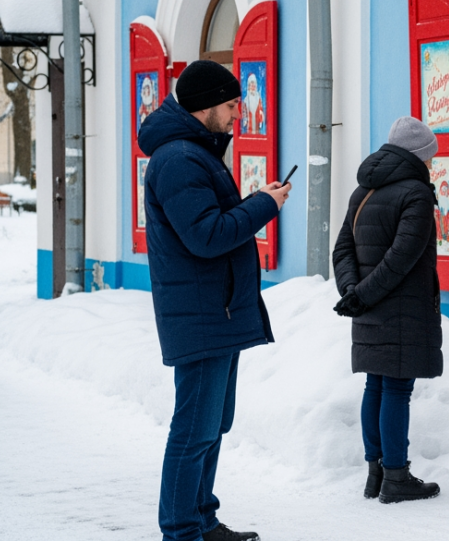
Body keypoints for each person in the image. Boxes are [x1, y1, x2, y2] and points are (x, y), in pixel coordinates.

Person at [138, 60, 291, 541]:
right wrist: (264, 205)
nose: (236, 114)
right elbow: (206, 236)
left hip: (215, 309)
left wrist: (257, 200)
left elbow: (210, 222)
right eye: (230, 105)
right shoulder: (180, 159)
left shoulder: (193, 153)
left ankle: (202, 518)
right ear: (205, 106)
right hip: (202, 313)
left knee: (212, 426)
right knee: (194, 430)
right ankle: (182, 530)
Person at [331, 116, 444, 504]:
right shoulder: (416, 193)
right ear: (417, 156)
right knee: (396, 388)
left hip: (368, 305)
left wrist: (353, 291)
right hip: (401, 308)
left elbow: (342, 249)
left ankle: (375, 473)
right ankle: (396, 475)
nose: (432, 165)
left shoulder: (363, 190)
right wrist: (362, 294)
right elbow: (404, 256)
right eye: (429, 157)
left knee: (376, 384)